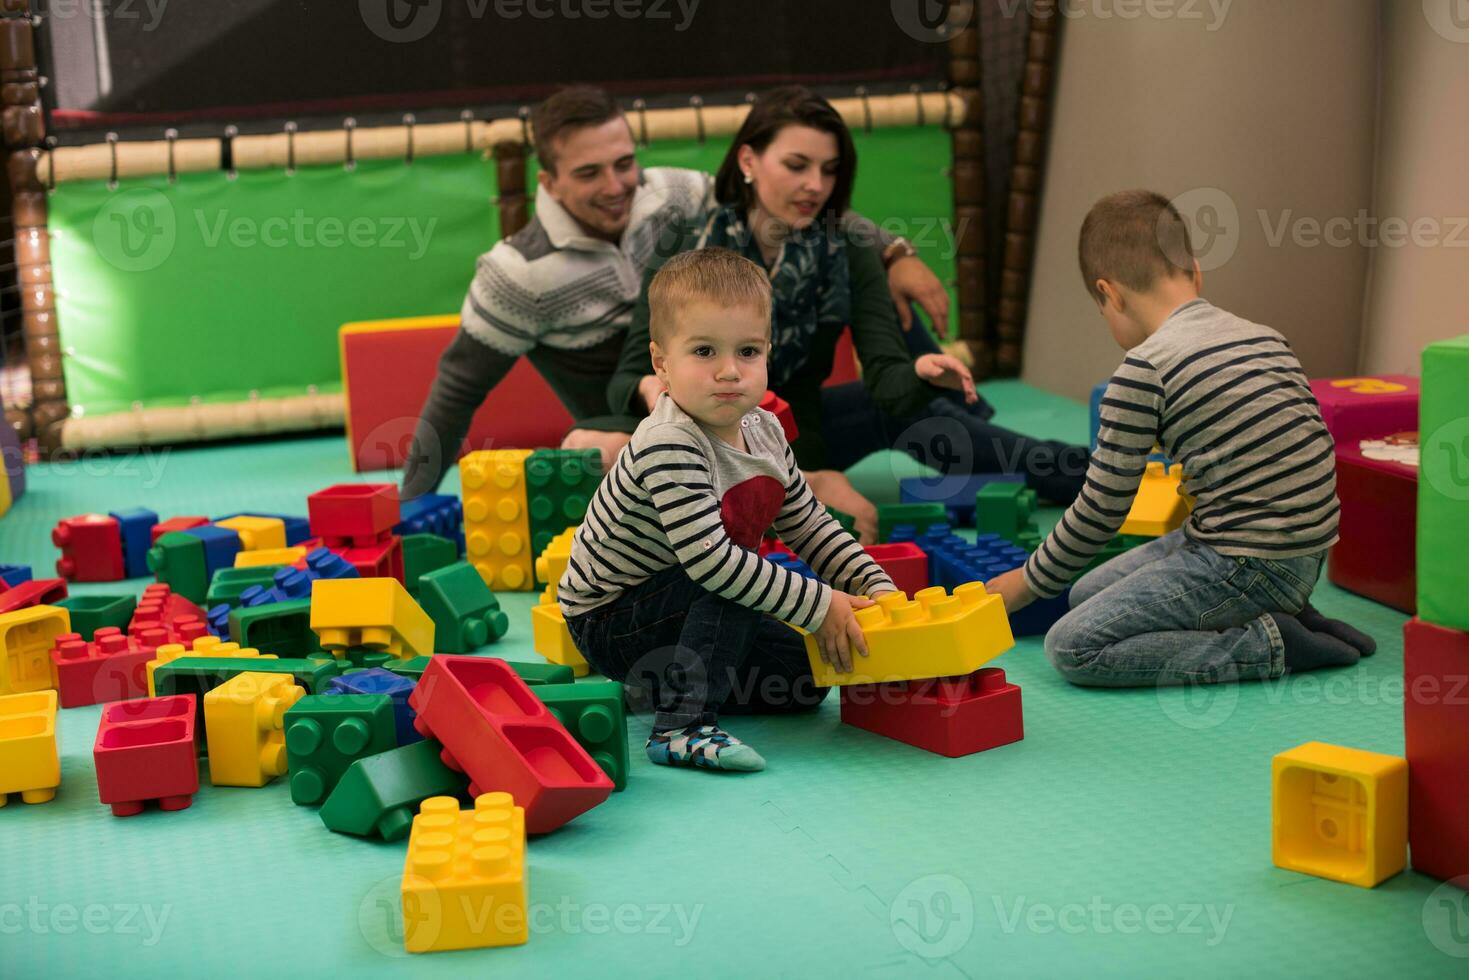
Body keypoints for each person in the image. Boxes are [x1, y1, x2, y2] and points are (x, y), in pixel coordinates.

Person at [400, 85, 950, 499]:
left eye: (624, 164)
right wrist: (410, 509)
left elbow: (789, 199)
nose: (616, 188)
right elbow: (455, 395)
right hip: (635, 428)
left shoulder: (673, 194)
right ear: (550, 182)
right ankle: (789, 484)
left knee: (885, 298)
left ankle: (955, 397)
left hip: (722, 403)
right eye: (590, 173)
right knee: (590, 449)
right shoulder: (516, 274)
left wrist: (894, 251)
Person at [608, 86, 1087, 544]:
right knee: (594, 443)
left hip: (800, 433)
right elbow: (627, 377)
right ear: (749, 160)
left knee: (915, 410)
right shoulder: (689, 244)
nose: (815, 185)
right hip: (705, 433)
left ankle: (1083, 473)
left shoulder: (848, 246)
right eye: (797, 165)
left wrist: (917, 371)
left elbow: (887, 382)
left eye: (829, 170)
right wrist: (662, 390)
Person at [985, 190, 1377, 687]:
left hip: (1246, 562)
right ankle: (1293, 612)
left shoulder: (1145, 368)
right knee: (1085, 594)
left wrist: (1025, 583)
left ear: (1111, 294)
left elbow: (1102, 508)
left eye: (1101, 309)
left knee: (1074, 645)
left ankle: (1269, 646)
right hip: (1303, 553)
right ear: (1195, 270)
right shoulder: (1262, 335)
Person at [560, 248, 897, 772]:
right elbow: (712, 564)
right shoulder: (670, 440)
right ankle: (681, 728)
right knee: (731, 575)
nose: (728, 372)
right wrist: (821, 602)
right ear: (660, 363)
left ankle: (658, 688)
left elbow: (810, 526)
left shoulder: (764, 431)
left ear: (767, 352)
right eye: (703, 352)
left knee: (803, 681)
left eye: (746, 351)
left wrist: (879, 592)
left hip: (676, 604)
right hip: (609, 619)